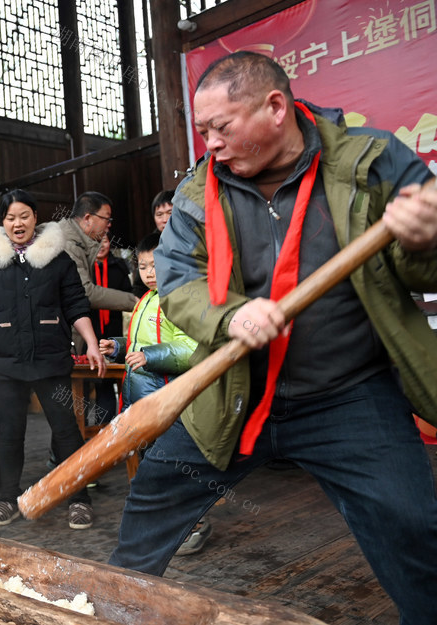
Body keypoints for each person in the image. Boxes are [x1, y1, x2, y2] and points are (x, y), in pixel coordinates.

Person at [107, 51, 437, 625]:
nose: (210, 142)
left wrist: (424, 240)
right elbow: (180, 281)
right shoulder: (196, 193)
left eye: (221, 127)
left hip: (349, 392)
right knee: (152, 502)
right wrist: (230, 315)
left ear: (275, 108)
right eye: (202, 130)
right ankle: (106, 611)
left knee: (412, 522)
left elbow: (425, 272)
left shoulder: (371, 161)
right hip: (234, 392)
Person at [0, 190, 104, 530]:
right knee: (9, 433)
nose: (18, 223)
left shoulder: (57, 258)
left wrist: (92, 343)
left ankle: (79, 499)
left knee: (66, 431)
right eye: (10, 218)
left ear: (35, 217)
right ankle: (6, 499)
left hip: (50, 361)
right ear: (2, 222)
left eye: (24, 215)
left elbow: (76, 305)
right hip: (6, 365)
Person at [100, 233, 205, 553]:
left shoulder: (178, 299)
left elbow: (192, 349)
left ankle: (195, 526)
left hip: (167, 402)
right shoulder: (145, 299)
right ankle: (165, 528)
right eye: (143, 266)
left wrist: (152, 356)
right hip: (142, 401)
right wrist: (117, 346)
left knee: (173, 467)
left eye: (155, 265)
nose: (148, 272)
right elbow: (138, 344)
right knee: (151, 466)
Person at [57, 192, 139, 354]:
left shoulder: (77, 241)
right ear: (87, 218)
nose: (109, 225)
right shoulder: (69, 244)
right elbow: (85, 292)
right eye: (106, 218)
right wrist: (135, 302)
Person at [85, 232, 133, 427]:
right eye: (96, 241)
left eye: (104, 240)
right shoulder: (84, 267)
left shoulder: (119, 266)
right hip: (89, 333)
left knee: (107, 383)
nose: (101, 245)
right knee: (86, 383)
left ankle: (106, 429)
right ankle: (83, 429)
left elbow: (128, 297)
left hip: (112, 333)